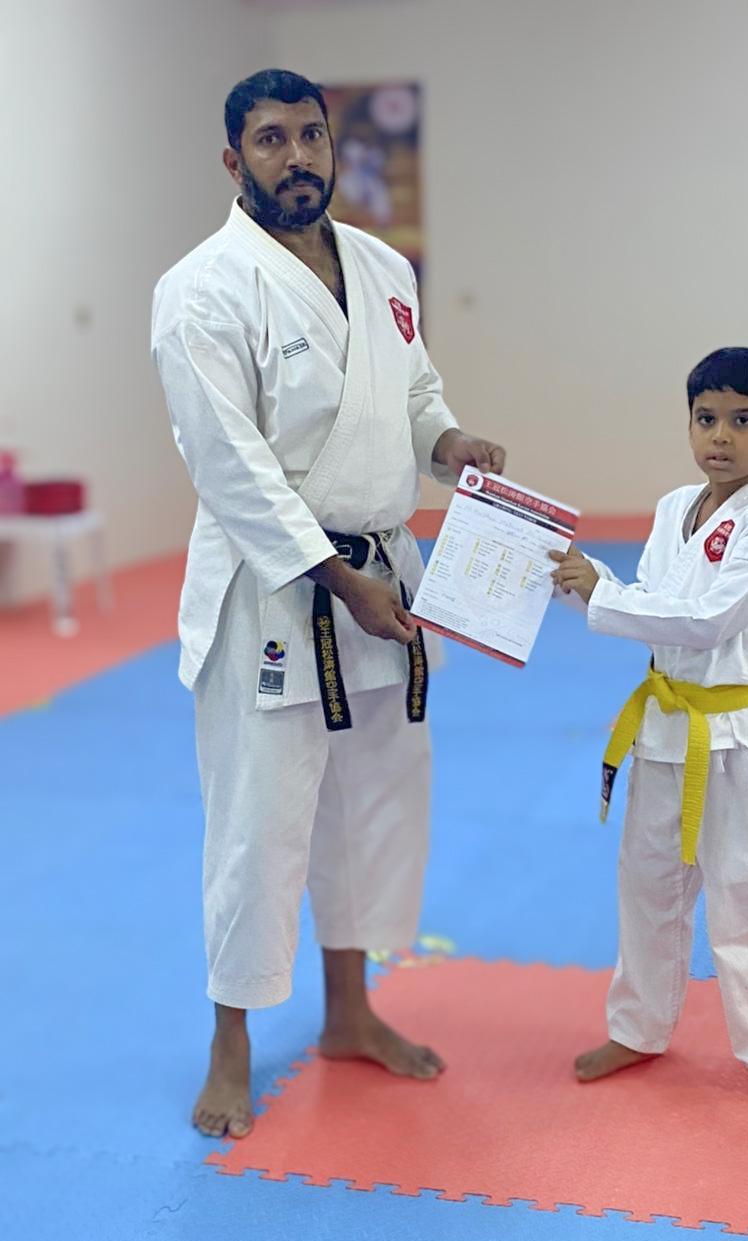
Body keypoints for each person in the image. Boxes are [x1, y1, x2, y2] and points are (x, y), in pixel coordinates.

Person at [151, 68, 506, 1139]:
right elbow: (229, 464)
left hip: (382, 580)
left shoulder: (383, 266)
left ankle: (350, 1010)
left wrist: (449, 443)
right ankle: (231, 1044)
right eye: (271, 139)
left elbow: (414, 392)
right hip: (275, 591)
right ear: (234, 159)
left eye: (311, 135)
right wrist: (334, 577)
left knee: (372, 806)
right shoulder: (203, 289)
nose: (297, 155)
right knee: (258, 824)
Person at [550, 347, 748, 1111]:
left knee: (747, 893)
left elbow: (708, 621)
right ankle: (638, 1028)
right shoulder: (675, 508)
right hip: (665, 721)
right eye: (706, 419)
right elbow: (654, 600)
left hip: (736, 732)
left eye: (742, 420)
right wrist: (584, 582)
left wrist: (601, 594)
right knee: (647, 884)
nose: (720, 436)